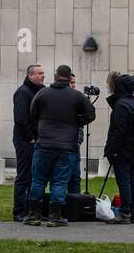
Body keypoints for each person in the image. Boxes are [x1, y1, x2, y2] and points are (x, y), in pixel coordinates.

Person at [25, 64, 95, 227]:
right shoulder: (76, 96)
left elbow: (32, 114)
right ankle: (55, 216)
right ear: (70, 77)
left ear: (56, 76)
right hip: (67, 147)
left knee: (39, 180)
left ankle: (33, 215)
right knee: (59, 182)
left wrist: (38, 133)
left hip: (44, 145)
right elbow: (91, 114)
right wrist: (76, 122)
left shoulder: (42, 93)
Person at [105, 72, 134, 224]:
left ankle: (125, 213)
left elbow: (119, 130)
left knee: (124, 181)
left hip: (122, 150)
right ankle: (133, 213)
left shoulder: (121, 105)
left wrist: (112, 150)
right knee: (132, 180)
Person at [11, 63, 45, 221]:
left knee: (35, 176)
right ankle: (19, 211)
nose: (42, 75)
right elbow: (20, 119)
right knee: (24, 176)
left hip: (35, 139)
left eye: (43, 73)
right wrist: (31, 137)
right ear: (30, 75)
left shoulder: (39, 91)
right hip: (25, 140)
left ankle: (32, 210)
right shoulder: (23, 93)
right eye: (39, 73)